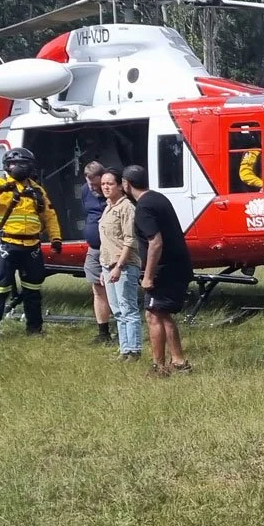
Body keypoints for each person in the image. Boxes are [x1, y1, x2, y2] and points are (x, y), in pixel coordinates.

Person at [0, 148, 61, 338]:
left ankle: (34, 330)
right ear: (6, 166)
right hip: (7, 244)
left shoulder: (37, 190)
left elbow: (50, 215)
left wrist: (56, 238)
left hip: (32, 247)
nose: (19, 167)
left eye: (23, 164)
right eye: (14, 164)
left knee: (33, 289)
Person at [123, 165, 193, 377]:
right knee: (163, 315)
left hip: (164, 270)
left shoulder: (143, 206)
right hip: (179, 265)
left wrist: (148, 276)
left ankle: (158, 367)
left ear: (126, 184)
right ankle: (179, 361)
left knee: (152, 315)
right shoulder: (158, 198)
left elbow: (155, 243)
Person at [96, 168, 144, 361]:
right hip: (108, 265)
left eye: (110, 184)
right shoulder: (108, 206)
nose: (106, 187)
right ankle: (124, 350)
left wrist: (118, 265)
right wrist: (104, 268)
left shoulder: (127, 208)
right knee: (117, 310)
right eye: (103, 184)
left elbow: (129, 240)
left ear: (120, 186)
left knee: (128, 308)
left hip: (123, 265)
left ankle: (134, 349)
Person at [79, 160, 113, 345]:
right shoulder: (86, 190)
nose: (92, 187)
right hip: (94, 249)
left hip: (113, 249)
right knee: (97, 289)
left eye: (96, 184)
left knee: (116, 290)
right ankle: (103, 332)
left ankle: (125, 333)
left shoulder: (114, 191)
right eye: (89, 183)